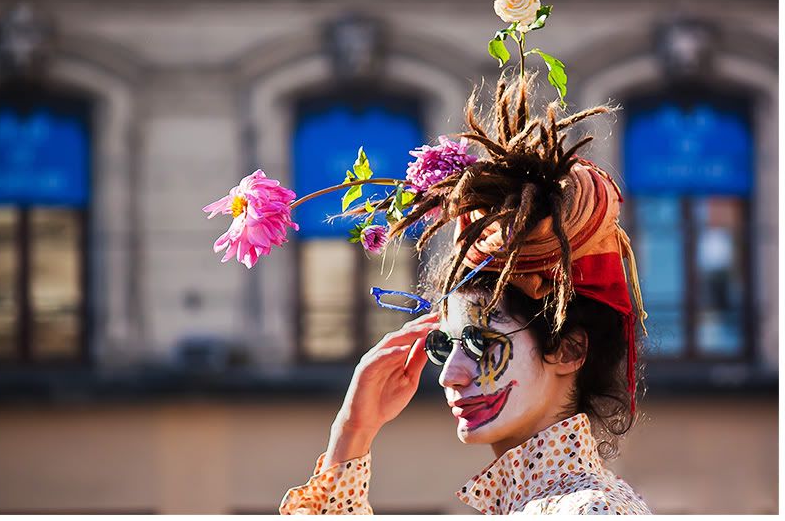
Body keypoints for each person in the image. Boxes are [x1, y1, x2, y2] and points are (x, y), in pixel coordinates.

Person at [278, 73, 653, 515]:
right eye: (444, 345)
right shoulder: (538, 505)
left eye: (481, 342)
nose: (449, 375)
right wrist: (351, 434)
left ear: (569, 349)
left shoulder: (587, 511)